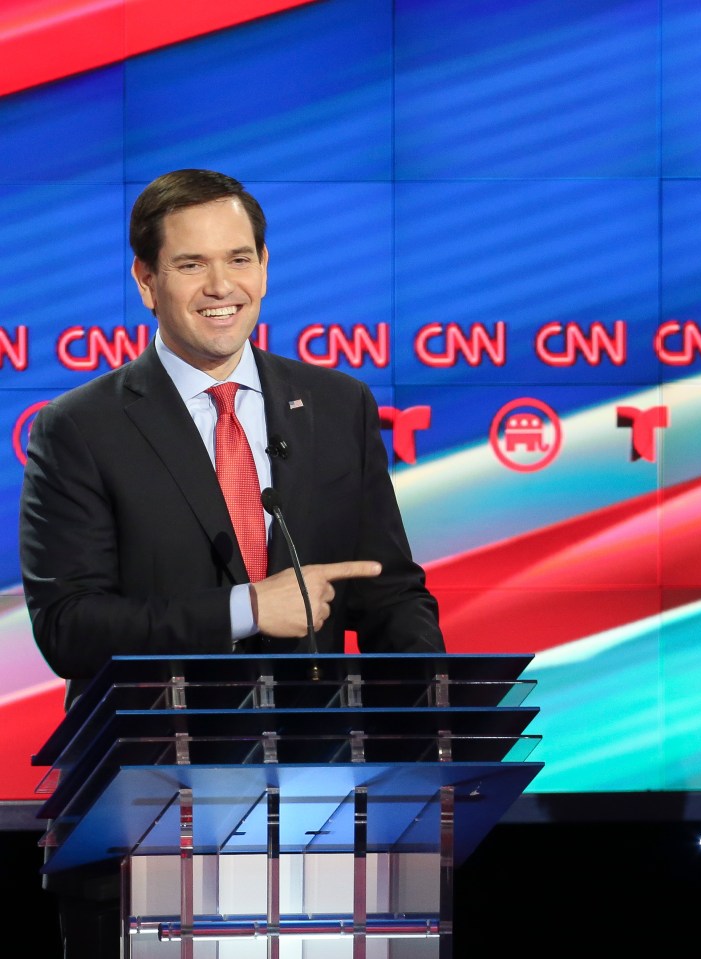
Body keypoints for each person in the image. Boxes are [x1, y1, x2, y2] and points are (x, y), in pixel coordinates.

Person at [18, 169, 445, 957]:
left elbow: (387, 588)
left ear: (266, 266)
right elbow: (69, 626)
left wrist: (431, 711)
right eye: (190, 265)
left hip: (321, 813)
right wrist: (248, 609)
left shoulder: (337, 404)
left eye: (240, 258)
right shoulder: (78, 430)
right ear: (145, 280)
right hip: (148, 822)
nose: (223, 286)